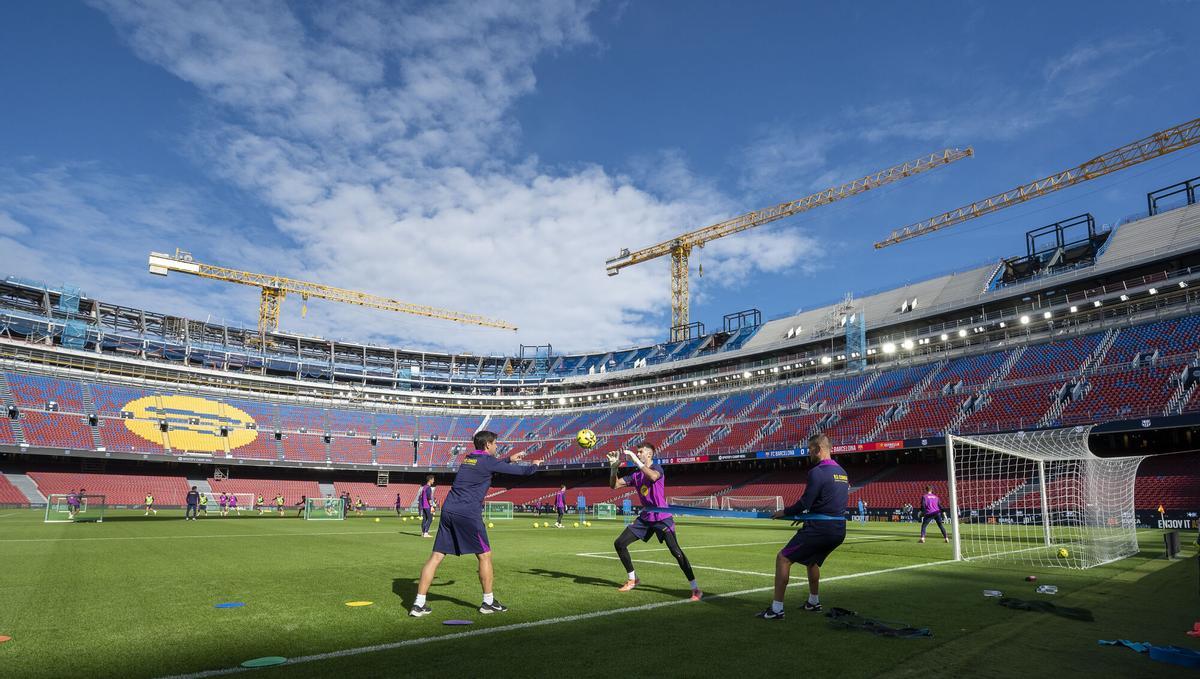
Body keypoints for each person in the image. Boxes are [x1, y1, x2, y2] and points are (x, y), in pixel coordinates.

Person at [410, 430, 542, 618]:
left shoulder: (468, 458)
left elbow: (489, 465)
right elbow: (520, 472)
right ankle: (488, 602)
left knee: (436, 556)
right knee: (485, 556)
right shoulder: (488, 461)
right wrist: (534, 466)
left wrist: (508, 459)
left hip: (448, 510)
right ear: (488, 444)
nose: (497, 446)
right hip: (468, 512)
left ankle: (418, 604)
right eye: (496, 443)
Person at [758, 434, 848, 620]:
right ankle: (813, 602)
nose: (808, 453)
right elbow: (827, 501)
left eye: (810, 450)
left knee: (783, 558)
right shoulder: (842, 472)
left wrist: (786, 512)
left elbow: (805, 502)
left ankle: (776, 609)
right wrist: (807, 516)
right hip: (838, 529)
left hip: (820, 529)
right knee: (811, 561)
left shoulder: (817, 472)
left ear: (818, 449)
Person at [608, 443, 701, 602]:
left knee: (676, 552)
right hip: (645, 517)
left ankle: (695, 589)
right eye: (637, 452)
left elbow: (652, 477)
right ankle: (633, 579)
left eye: (640, 452)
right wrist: (614, 468)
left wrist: (635, 460)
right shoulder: (636, 475)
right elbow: (614, 485)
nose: (637, 454)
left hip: (662, 517)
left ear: (649, 455)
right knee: (620, 543)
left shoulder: (658, 468)